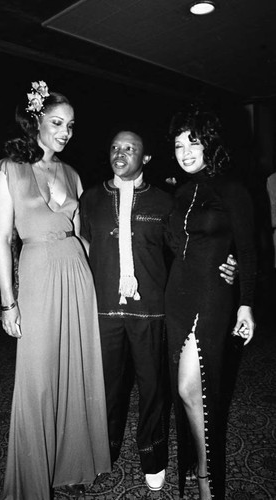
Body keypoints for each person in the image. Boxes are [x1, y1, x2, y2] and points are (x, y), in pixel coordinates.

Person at [79, 126, 237, 492]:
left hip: (151, 310)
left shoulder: (165, 202)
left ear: (145, 158)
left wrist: (229, 261)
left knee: (153, 389)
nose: (121, 154)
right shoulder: (90, 199)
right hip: (103, 310)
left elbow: (192, 245)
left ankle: (152, 457)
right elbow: (81, 246)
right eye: (115, 147)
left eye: (130, 148)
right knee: (106, 389)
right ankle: (105, 451)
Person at [0, 80, 111, 500]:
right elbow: (2, 241)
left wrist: (118, 273)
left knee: (76, 368)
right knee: (38, 377)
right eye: (57, 122)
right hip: (38, 274)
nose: (65, 132)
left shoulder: (73, 174)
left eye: (71, 126)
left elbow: (82, 237)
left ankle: (73, 465)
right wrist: (8, 303)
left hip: (77, 274)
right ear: (36, 121)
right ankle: (30, 482)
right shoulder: (9, 168)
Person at [165, 107, 256, 499]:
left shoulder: (231, 188)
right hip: (177, 296)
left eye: (193, 142)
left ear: (210, 143)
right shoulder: (179, 192)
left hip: (211, 296)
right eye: (178, 144)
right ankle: (197, 466)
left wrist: (246, 303)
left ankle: (206, 477)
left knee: (192, 387)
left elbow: (250, 250)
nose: (185, 152)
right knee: (184, 389)